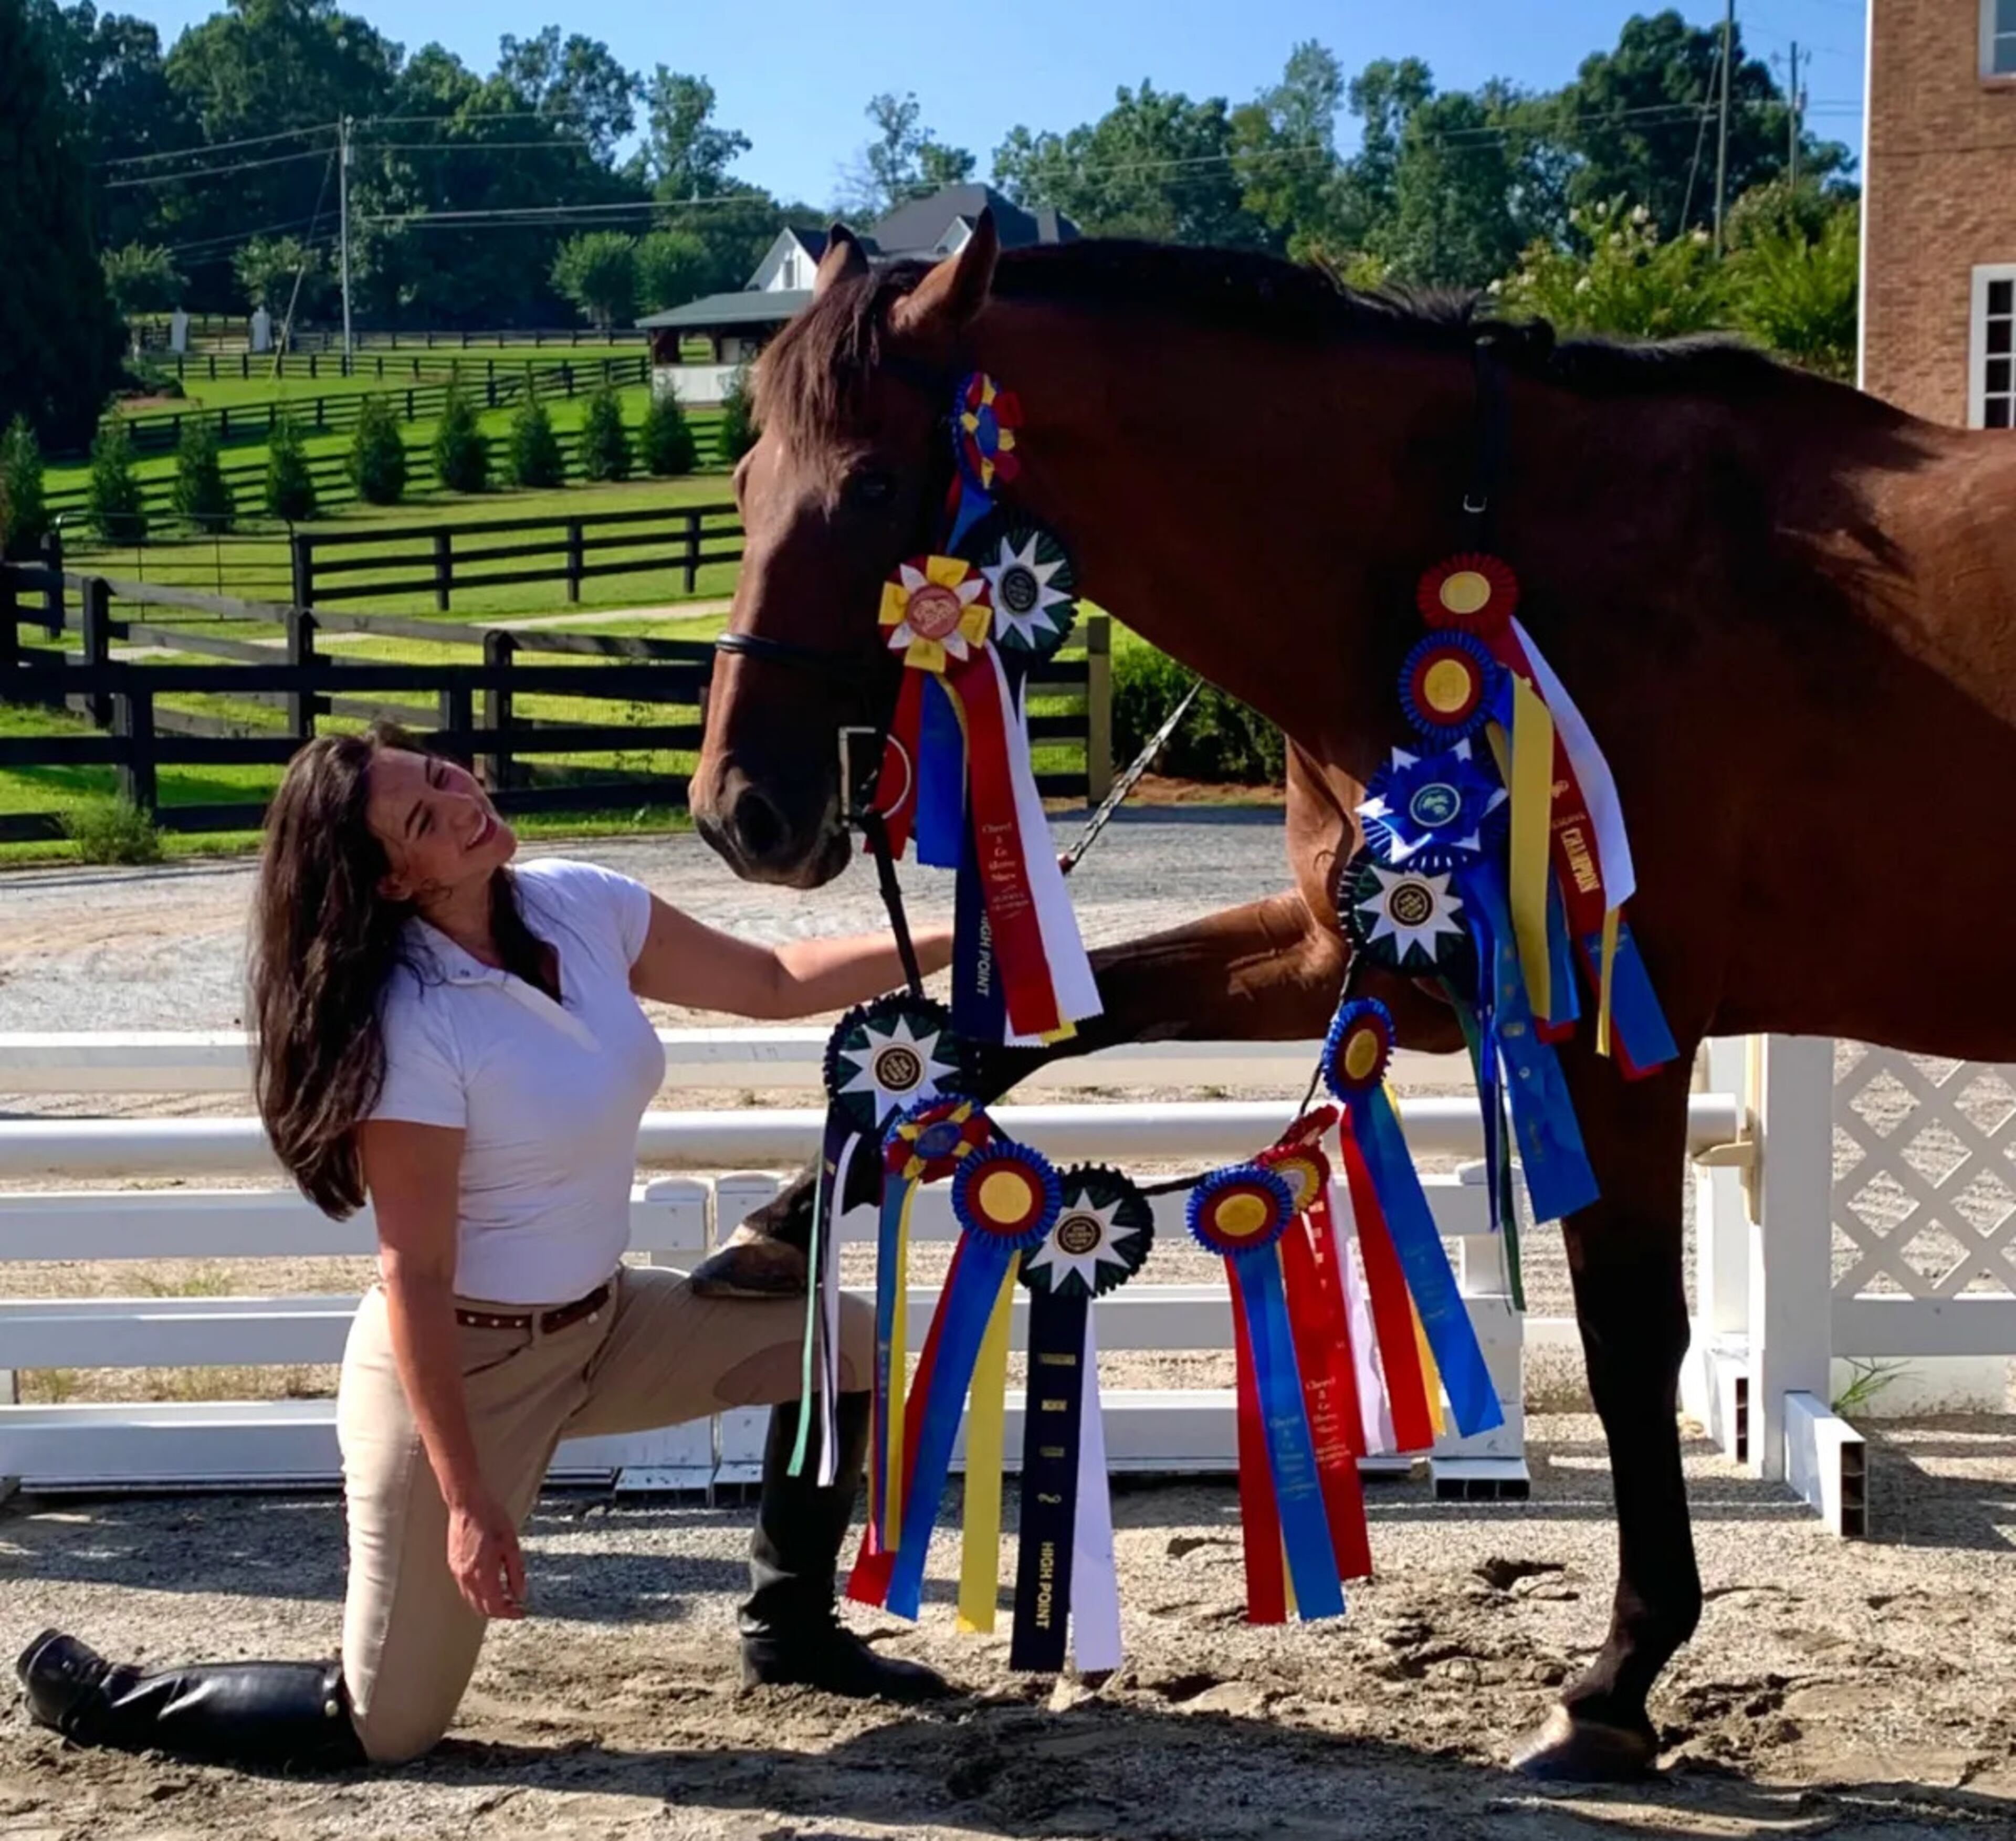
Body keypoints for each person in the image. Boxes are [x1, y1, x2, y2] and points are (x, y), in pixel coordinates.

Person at [17, 726, 957, 1768]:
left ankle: (791, 1633)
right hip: (465, 1371)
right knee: (390, 1723)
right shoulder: (413, 1025)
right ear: (390, 883)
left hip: (607, 1324)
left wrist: (965, 938)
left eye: (439, 771)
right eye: (425, 817)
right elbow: (412, 1272)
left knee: (847, 1342)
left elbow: (778, 977)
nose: (462, 799)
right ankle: (100, 1693)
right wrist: (467, 1502)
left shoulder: (575, 900)